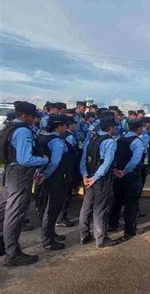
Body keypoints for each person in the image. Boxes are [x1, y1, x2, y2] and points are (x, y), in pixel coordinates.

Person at [0, 101, 49, 266]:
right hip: (20, 174)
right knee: (15, 213)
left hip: (10, 171)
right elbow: (25, 158)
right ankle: (12, 253)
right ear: (24, 116)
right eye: (32, 116)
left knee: (6, 208)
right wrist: (43, 160)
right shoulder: (22, 132)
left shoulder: (10, 126)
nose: (34, 119)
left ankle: (6, 244)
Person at [78, 116, 117, 248]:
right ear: (111, 128)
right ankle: (101, 238)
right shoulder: (110, 142)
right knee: (100, 208)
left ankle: (84, 234)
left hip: (88, 177)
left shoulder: (91, 138)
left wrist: (85, 176)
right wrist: (95, 178)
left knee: (87, 206)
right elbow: (106, 163)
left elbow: (83, 158)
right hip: (100, 179)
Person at [108, 118, 145, 238]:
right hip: (130, 175)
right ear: (139, 128)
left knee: (117, 200)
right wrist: (125, 171)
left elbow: (113, 155)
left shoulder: (119, 139)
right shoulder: (137, 142)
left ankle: (112, 224)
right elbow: (135, 161)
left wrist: (116, 169)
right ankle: (130, 229)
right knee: (132, 202)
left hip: (117, 173)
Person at [36, 115, 68, 251]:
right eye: (64, 125)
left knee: (48, 207)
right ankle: (47, 240)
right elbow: (55, 162)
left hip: (43, 175)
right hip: (53, 176)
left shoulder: (41, 135)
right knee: (52, 208)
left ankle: (50, 234)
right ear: (59, 126)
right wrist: (46, 174)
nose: (66, 128)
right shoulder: (57, 142)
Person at [56, 117, 80, 228]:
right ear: (69, 125)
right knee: (65, 194)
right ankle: (61, 218)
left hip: (59, 169)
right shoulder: (69, 137)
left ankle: (58, 217)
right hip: (67, 168)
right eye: (74, 124)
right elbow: (74, 151)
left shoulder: (57, 136)